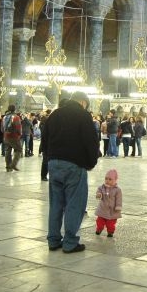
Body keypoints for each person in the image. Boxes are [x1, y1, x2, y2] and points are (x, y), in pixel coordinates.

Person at [42, 91, 99, 253]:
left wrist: (50, 160)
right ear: (83, 102)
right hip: (74, 165)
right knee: (75, 204)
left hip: (54, 164)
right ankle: (70, 242)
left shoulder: (54, 115)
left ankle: (53, 240)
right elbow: (91, 142)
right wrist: (91, 163)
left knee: (56, 203)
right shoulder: (83, 116)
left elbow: (44, 141)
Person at [95, 168, 122, 237]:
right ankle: (99, 229)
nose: (107, 181)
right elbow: (98, 192)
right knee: (99, 222)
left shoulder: (117, 190)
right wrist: (99, 195)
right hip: (102, 209)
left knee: (110, 224)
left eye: (110, 179)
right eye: (106, 179)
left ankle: (110, 232)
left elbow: (119, 199)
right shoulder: (102, 187)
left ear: (115, 180)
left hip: (112, 211)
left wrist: (118, 206)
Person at [3, 105, 22, 172]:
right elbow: (18, 127)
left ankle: (8, 167)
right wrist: (20, 134)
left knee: (8, 151)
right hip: (14, 137)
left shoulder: (4, 117)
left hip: (6, 136)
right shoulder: (16, 117)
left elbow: (2, 128)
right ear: (15, 109)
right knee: (19, 150)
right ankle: (13, 164)